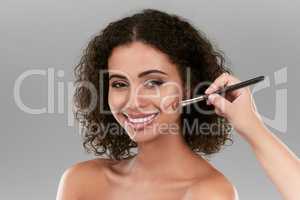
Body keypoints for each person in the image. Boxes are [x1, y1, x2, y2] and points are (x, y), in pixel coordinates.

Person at [56, 9, 300, 200]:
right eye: (119, 84)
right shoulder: (80, 181)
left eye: (153, 82)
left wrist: (253, 129)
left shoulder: (209, 194)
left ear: (187, 86)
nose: (133, 102)